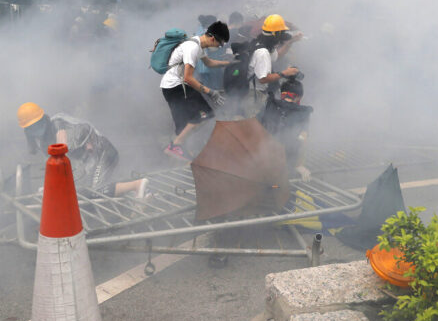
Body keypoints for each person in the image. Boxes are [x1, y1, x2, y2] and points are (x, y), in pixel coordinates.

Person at [17, 102, 148, 198]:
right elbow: (54, 165)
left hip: (103, 153)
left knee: (95, 191)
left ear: (44, 119)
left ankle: (137, 185)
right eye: (31, 127)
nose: (36, 129)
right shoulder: (43, 143)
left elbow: (61, 150)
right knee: (84, 190)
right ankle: (139, 194)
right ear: (27, 130)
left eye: (38, 123)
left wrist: (52, 187)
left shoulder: (57, 123)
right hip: (90, 161)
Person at [161, 20, 231, 160]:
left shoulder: (198, 44)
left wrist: (229, 63)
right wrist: (211, 92)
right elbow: (188, 77)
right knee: (203, 115)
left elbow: (209, 63)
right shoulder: (192, 48)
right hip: (177, 87)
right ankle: (175, 146)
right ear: (213, 38)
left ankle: (179, 148)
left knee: (188, 122)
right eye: (220, 43)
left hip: (177, 86)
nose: (219, 47)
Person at [245, 14, 303, 117]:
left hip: (257, 93)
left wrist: (290, 42)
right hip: (254, 95)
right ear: (275, 35)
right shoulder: (262, 52)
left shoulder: (262, 44)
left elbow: (278, 56)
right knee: (253, 126)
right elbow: (263, 79)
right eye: (280, 36)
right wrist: (285, 73)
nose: (280, 40)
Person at [260, 79, 313, 181]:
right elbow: (303, 139)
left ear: (281, 93)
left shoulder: (270, 104)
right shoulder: (303, 112)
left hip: (262, 159)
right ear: (299, 97)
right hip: (286, 164)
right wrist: (300, 165)